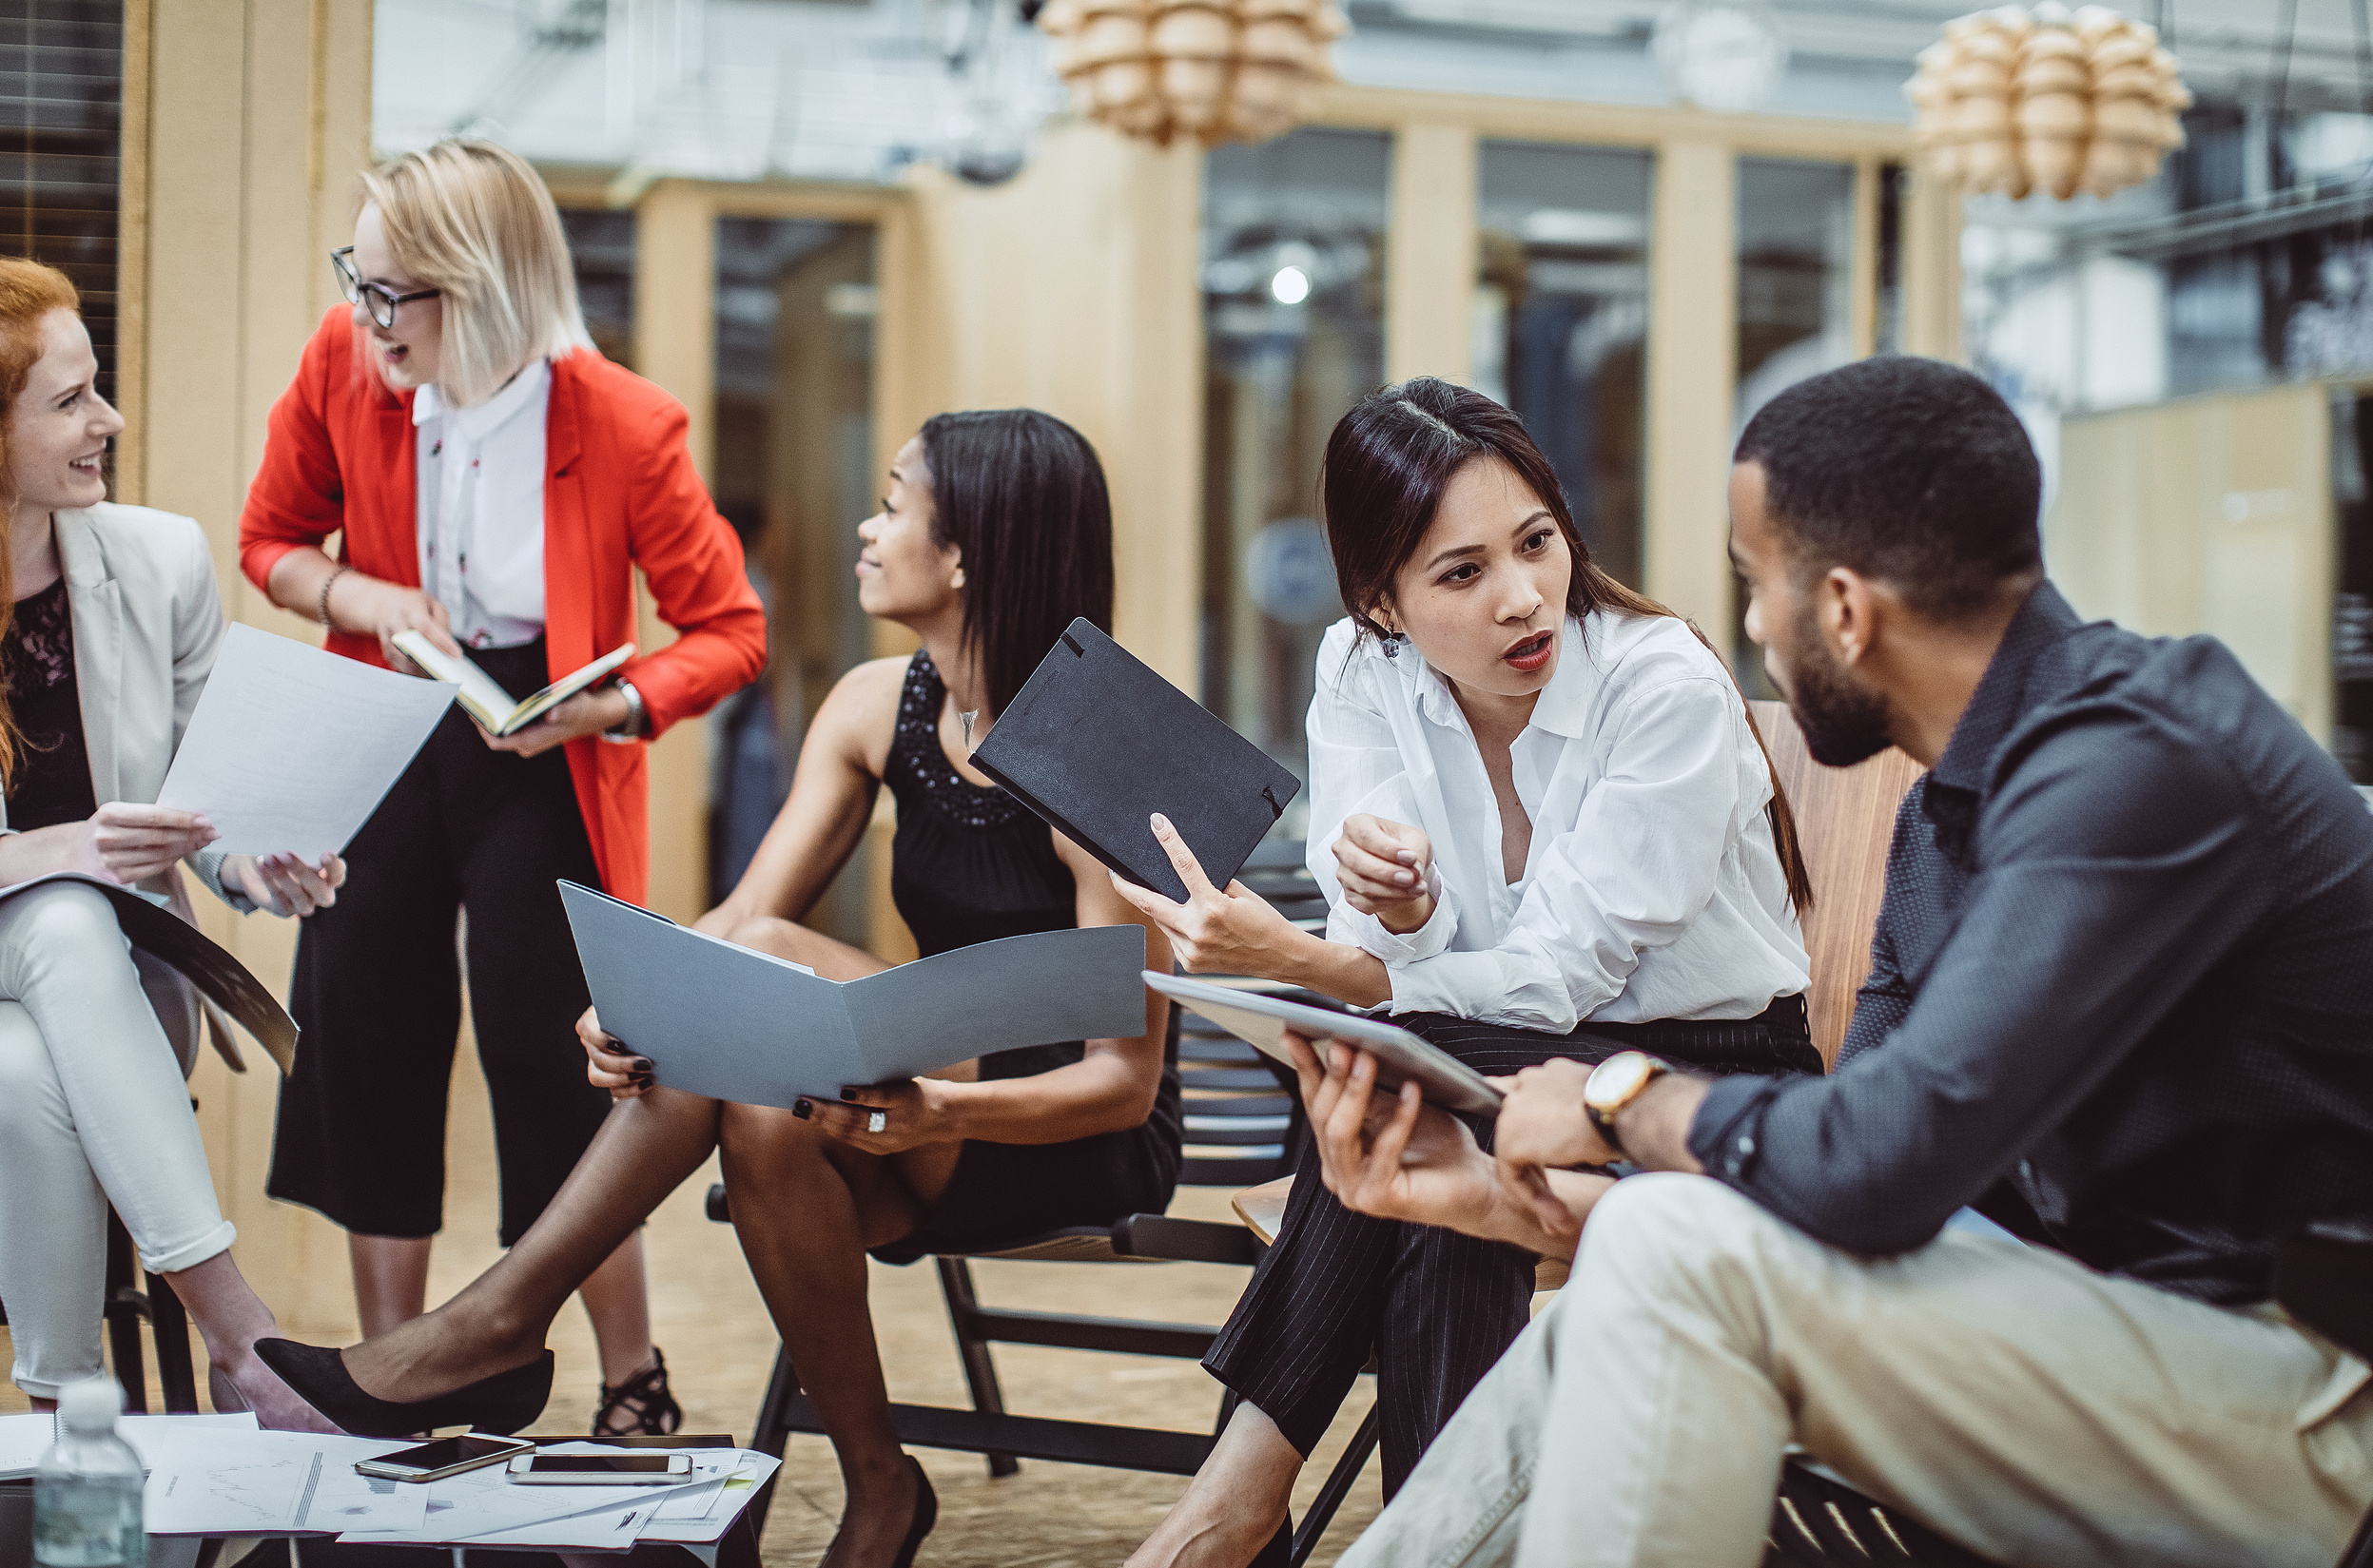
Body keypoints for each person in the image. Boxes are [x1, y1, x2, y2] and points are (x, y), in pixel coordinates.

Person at [1297, 356, 2373, 1568]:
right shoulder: (1944, 827)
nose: (1751, 627)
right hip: (2126, 1331)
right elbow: (1848, 1193)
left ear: (1845, 611)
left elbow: (1875, 1158)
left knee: (1675, 1253)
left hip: (2316, 1391)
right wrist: (1495, 1201)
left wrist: (1617, 1098)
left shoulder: (2136, 764)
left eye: (1756, 585)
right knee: (1656, 1252)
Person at [254, 409, 1181, 1568]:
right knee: (756, 1104)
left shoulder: (1104, 750)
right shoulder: (876, 704)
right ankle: (881, 1484)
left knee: (773, 964)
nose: (864, 528)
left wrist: (940, 1109)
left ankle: (498, 1321)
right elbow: (739, 916)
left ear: (964, 556)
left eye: (892, 504)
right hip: (916, 1105)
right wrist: (639, 1003)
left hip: (1056, 1129)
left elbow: (1121, 1083)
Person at [1115, 378, 1821, 1568]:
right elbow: (1398, 934)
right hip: (1504, 1062)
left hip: (1708, 1073)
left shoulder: (1660, 687)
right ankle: (1345, 1527)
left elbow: (1555, 977)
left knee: (1412, 1088)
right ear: (1378, 603)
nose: (1521, 596)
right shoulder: (1361, 668)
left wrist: (1313, 964)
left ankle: (1229, 1505)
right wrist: (1399, 908)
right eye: (1461, 572)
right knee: (1434, 1140)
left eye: (1535, 542)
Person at [238, 140, 767, 1434]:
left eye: (391, 292)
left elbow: (728, 629)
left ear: (479, 286)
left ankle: (630, 1377)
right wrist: (360, 593)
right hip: (387, 719)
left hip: (546, 742)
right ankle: (395, 1370)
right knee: (367, 1028)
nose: (365, 316)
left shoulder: (624, 422)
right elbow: (271, 542)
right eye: (357, 280)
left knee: (563, 1052)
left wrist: (619, 703)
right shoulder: (342, 363)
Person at [0, 258, 346, 1425]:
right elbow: (85, 858)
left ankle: (65, 1420)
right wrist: (68, 851)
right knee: (61, 912)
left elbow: (207, 793)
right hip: (64, 945)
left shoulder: (157, 561)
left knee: (21, 1066)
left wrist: (255, 861)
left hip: (111, 996)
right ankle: (240, 1334)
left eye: (96, 387)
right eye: (69, 401)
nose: (108, 420)